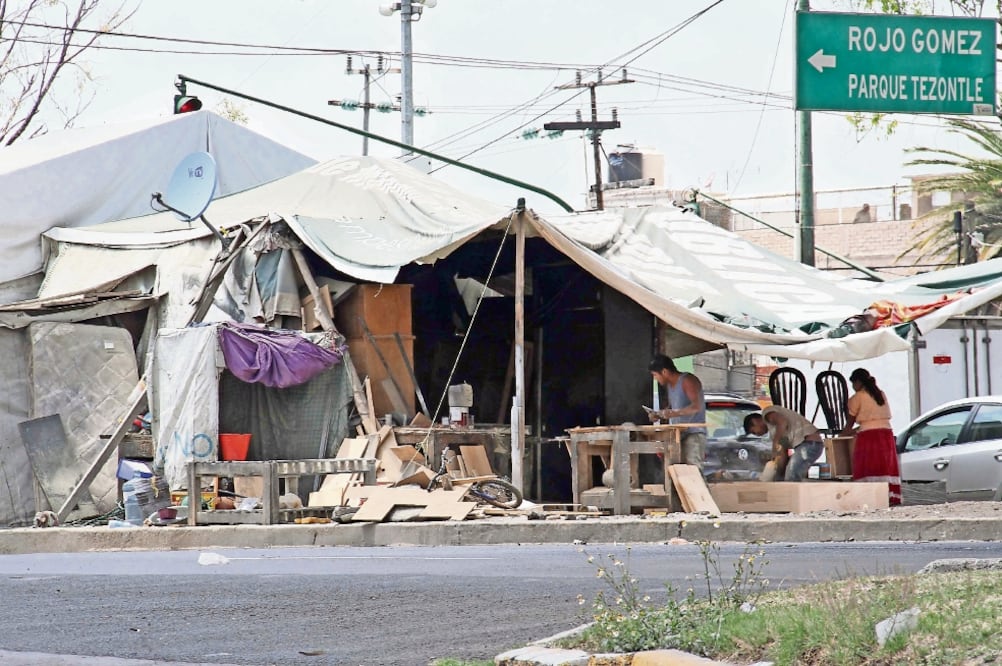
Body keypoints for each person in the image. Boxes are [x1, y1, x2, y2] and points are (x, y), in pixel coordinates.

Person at [840, 368, 901, 506]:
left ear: (858, 382)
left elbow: (850, 424)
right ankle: (887, 496)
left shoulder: (857, 398)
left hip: (869, 436)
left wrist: (841, 435)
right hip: (886, 433)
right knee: (884, 466)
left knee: (868, 466)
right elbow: (874, 419)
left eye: (853, 384)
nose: (853, 388)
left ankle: (868, 497)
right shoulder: (880, 394)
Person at [647, 355, 707, 470]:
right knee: (676, 470)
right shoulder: (670, 386)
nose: (655, 379)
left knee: (693, 470)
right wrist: (659, 414)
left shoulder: (687, 380)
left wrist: (675, 413)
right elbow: (673, 406)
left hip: (693, 433)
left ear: (664, 371)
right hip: (678, 434)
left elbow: (696, 407)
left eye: (655, 375)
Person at [744, 406, 823, 482]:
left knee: (792, 474)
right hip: (806, 446)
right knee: (784, 476)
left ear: (755, 421)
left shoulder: (767, 413)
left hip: (810, 444)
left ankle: (791, 495)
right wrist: (776, 473)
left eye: (754, 432)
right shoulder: (775, 432)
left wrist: (776, 441)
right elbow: (782, 455)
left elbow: (783, 422)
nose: (757, 434)